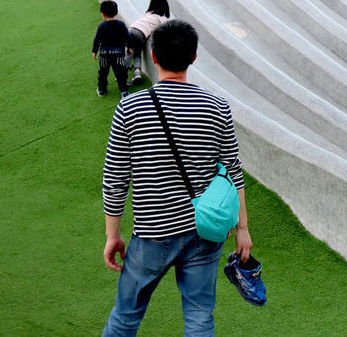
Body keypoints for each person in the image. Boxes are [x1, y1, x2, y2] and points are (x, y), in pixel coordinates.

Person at [101, 19, 253, 335]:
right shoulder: (218, 107)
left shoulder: (129, 109)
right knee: (199, 318)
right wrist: (243, 230)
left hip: (152, 233)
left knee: (126, 317)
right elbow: (233, 173)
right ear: (193, 58)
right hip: (205, 232)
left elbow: (115, 179)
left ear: (153, 57)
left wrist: (112, 235)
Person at [127, 0, 170, 85]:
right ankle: (129, 73)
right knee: (136, 52)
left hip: (131, 28)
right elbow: (166, 28)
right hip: (141, 33)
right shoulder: (162, 18)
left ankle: (134, 72)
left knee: (133, 52)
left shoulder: (148, 14)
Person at [92, 0, 131, 98]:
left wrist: (94, 51)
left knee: (103, 72)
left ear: (103, 14)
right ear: (116, 12)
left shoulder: (102, 26)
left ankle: (101, 89)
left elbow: (97, 39)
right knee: (120, 72)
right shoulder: (121, 25)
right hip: (118, 54)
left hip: (104, 54)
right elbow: (127, 37)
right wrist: (129, 48)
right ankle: (124, 91)